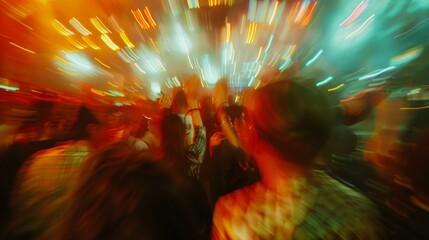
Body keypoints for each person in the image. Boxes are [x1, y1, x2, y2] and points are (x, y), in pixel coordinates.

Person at [212, 79, 383, 239]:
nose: (242, 126)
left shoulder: (235, 216)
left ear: (255, 140)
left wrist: (220, 110)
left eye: (247, 121)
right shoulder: (358, 209)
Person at [6, 105, 107, 239]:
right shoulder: (99, 167)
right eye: (102, 130)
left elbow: (18, 207)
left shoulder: (40, 159)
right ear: (92, 129)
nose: (104, 135)